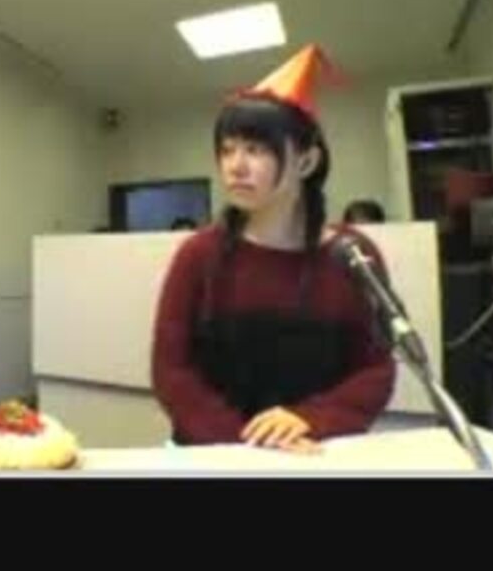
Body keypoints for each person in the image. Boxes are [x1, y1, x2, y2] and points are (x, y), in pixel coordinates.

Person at [151, 44, 395, 454]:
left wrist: (311, 419)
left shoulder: (352, 254)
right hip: (216, 456)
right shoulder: (199, 254)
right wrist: (249, 448)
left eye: (256, 149)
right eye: (227, 149)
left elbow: (375, 369)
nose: (235, 166)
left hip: (315, 453)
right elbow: (172, 372)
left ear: (306, 162)